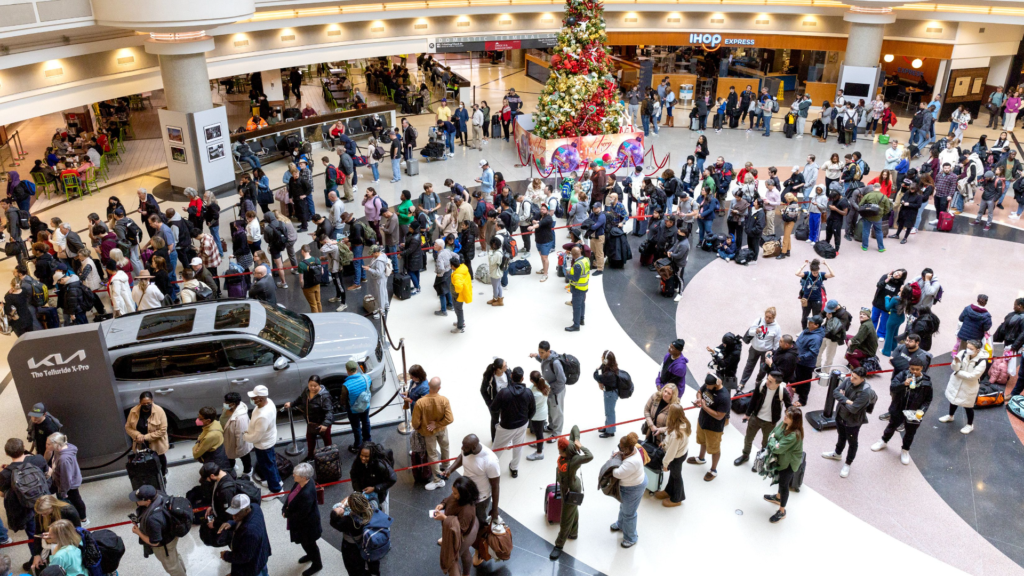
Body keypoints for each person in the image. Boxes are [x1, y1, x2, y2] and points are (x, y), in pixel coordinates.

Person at [440, 434, 501, 551]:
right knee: (457, 516)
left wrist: (495, 508)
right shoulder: (467, 450)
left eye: (465, 447)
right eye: (463, 446)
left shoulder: (490, 461)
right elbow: (462, 457)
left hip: (480, 499)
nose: (462, 448)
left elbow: (495, 486)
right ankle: (452, 536)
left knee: (478, 525)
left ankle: (480, 550)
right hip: (464, 492)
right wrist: (450, 470)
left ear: (474, 448)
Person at [871, 357, 933, 465]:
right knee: (891, 426)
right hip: (899, 407)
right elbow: (893, 387)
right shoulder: (902, 375)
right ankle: (883, 441)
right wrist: (903, 384)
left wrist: (922, 411)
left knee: (910, 432)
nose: (914, 371)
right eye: (912, 369)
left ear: (922, 368)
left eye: (917, 369)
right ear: (909, 367)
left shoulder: (926, 383)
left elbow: (928, 400)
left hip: (914, 411)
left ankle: (905, 450)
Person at [547, 426, 593, 560]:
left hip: (571, 490)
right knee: (572, 510)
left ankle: (559, 545)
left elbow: (590, 456)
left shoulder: (574, 460)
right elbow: (575, 428)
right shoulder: (570, 446)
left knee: (565, 519)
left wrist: (581, 445)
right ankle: (573, 533)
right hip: (565, 487)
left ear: (564, 451)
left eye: (560, 451)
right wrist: (576, 439)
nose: (559, 452)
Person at [821, 367, 876, 478]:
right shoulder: (848, 380)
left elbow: (853, 409)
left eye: (855, 378)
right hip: (840, 415)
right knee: (841, 435)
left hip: (853, 421)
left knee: (852, 442)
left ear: (862, 379)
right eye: (851, 376)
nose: (851, 379)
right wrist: (846, 400)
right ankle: (837, 453)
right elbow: (835, 392)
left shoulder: (866, 392)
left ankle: (848, 463)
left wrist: (842, 398)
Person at [736, 371, 792, 468]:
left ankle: (760, 460)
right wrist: (747, 414)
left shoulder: (782, 392)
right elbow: (753, 399)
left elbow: (789, 408)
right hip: (756, 417)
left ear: (777, 384)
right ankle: (745, 455)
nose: (767, 382)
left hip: (770, 422)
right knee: (748, 438)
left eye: (770, 381)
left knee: (766, 443)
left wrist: (789, 422)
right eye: (767, 379)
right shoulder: (761, 385)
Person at [130, 485, 187, 576]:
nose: (136, 500)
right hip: (171, 533)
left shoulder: (153, 519)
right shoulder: (158, 494)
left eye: (138, 499)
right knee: (174, 557)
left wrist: (138, 532)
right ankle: (183, 572)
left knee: (172, 567)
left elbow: (155, 542)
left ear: (148, 501)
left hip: (164, 545)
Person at [489, 367, 535, 478]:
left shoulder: (504, 392)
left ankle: (489, 469)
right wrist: (526, 419)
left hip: (506, 426)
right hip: (522, 424)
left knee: (497, 449)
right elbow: (533, 410)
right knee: (518, 447)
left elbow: (493, 408)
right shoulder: (528, 392)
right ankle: (514, 469)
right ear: (523, 378)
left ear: (511, 376)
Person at [762, 407, 804, 523]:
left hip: (788, 464)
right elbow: (772, 433)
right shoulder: (784, 424)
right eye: (785, 414)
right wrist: (774, 440)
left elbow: (778, 449)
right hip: (782, 460)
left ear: (794, 421)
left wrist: (773, 440)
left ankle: (782, 511)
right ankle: (777, 497)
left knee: (784, 484)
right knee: (780, 480)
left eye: (788, 416)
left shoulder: (794, 435)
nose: (784, 417)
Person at [687, 374, 730, 481]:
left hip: (714, 428)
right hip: (702, 421)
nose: (707, 387)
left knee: (714, 448)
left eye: (709, 386)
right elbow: (699, 392)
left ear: (716, 384)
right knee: (702, 441)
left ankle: (713, 470)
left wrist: (704, 407)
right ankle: (701, 458)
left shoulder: (724, 397)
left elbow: (720, 416)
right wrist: (698, 399)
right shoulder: (709, 384)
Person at [412, 377, 454, 491]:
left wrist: (421, 428)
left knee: (432, 454)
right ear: (439, 388)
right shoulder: (444, 400)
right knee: (445, 447)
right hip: (442, 429)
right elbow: (450, 419)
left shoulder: (420, 403)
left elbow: (415, 423)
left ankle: (438, 480)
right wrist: (438, 424)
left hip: (428, 432)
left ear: (428, 385)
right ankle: (446, 468)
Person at [282, 463, 323, 576]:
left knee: (309, 544)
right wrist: (284, 507)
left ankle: (317, 564)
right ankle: (310, 555)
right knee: (306, 544)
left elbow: (301, 514)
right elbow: (291, 495)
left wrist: (287, 514)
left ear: (304, 477)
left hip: (308, 526)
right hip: (302, 523)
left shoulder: (306, 494)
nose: (293, 475)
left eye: (295, 474)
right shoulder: (300, 483)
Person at [434, 477, 480, 573]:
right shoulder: (459, 496)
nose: (452, 494)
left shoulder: (467, 510)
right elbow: (449, 499)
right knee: (465, 552)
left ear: (464, 495)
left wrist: (444, 518)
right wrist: (442, 504)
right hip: (463, 530)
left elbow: (460, 529)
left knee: (452, 559)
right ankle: (466, 574)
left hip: (463, 536)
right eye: (452, 491)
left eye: (455, 493)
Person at [940, 340, 987, 434]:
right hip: (956, 382)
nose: (968, 350)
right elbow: (954, 368)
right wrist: (955, 363)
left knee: (968, 406)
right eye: (967, 347)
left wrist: (958, 372)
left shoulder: (982, 362)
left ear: (977, 350)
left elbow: (973, 376)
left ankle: (970, 425)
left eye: (971, 349)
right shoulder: (962, 353)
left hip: (969, 386)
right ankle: (950, 416)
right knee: (953, 399)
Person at [220, 493, 272, 576]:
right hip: (261, 554)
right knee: (263, 571)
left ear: (247, 510)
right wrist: (231, 523)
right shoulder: (255, 507)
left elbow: (244, 557)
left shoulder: (249, 531)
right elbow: (238, 520)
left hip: (253, 565)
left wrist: (226, 555)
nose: (233, 516)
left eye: (237, 513)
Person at [330, 492, 380, 576]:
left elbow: (333, 521)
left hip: (353, 548)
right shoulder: (373, 506)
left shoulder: (347, 521)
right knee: (372, 563)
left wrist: (342, 506)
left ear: (352, 507)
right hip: (370, 543)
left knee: (354, 569)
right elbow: (375, 498)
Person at [609, 432, 645, 548]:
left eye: (621, 447)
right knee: (623, 506)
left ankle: (631, 538)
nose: (618, 448)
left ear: (627, 448)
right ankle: (621, 524)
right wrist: (617, 454)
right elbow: (616, 451)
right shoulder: (631, 450)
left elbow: (617, 473)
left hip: (634, 488)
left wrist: (612, 462)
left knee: (629, 513)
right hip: (628, 485)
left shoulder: (633, 462)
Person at [284, 376, 334, 457]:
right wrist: (292, 404)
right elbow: (300, 399)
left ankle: (329, 457)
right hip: (311, 423)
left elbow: (329, 411)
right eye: (310, 385)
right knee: (310, 440)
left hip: (322, 423)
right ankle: (310, 456)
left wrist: (325, 424)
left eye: (315, 386)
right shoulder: (307, 392)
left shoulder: (324, 396)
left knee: (327, 442)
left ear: (319, 385)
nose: (312, 388)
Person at [243, 385, 280, 492]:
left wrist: (245, 436)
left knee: (267, 467)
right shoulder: (269, 402)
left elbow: (256, 437)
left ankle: (276, 489)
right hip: (269, 440)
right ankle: (277, 481)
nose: (252, 400)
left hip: (263, 445)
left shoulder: (263, 416)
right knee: (271, 463)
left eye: (254, 398)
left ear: (261, 398)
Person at [45, 433, 87, 525]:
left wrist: (63, 492)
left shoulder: (64, 459)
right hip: (60, 480)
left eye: (48, 444)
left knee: (76, 500)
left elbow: (66, 478)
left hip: (69, 485)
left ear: (56, 444)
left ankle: (83, 519)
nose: (46, 445)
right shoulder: (63, 447)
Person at [124, 392, 169, 475]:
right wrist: (138, 435)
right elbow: (128, 427)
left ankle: (163, 475)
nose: (146, 405)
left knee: (160, 459)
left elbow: (163, 430)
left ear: (152, 400)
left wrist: (145, 437)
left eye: (148, 403)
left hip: (156, 443)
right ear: (140, 402)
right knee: (143, 462)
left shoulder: (159, 411)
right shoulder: (133, 411)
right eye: (143, 403)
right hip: (140, 443)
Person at [531, 341, 569, 440]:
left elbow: (562, 380)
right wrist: (536, 356)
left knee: (557, 411)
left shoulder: (556, 363)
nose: (540, 354)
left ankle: (557, 433)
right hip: (550, 390)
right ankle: (551, 426)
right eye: (539, 352)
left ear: (548, 351)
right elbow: (542, 360)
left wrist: (549, 387)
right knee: (551, 409)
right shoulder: (545, 358)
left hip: (557, 391)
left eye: (542, 352)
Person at [656, 405, 691, 508]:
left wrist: (665, 464)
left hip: (676, 457)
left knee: (676, 477)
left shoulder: (676, 434)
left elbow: (671, 452)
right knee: (674, 475)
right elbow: (669, 433)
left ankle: (677, 498)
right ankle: (669, 491)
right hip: (681, 453)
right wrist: (664, 442)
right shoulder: (682, 423)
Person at [739, 309, 781, 392]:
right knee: (749, 365)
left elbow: (776, 342)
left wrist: (774, 353)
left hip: (766, 351)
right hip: (754, 348)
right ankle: (742, 383)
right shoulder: (758, 320)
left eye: (770, 318)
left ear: (774, 318)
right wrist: (755, 331)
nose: (767, 319)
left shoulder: (777, 328)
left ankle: (758, 381)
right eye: (766, 317)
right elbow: (750, 332)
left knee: (763, 368)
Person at [349, 443, 397, 511]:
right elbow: (353, 475)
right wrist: (358, 490)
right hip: (364, 492)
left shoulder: (380, 465)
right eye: (361, 455)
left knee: (383, 512)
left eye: (366, 456)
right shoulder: (357, 462)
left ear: (371, 455)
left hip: (380, 493)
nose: (363, 458)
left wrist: (375, 488)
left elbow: (393, 478)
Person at [793, 316, 825, 406]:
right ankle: (798, 389)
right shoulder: (807, 330)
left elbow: (813, 353)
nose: (809, 323)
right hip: (799, 361)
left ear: (816, 325)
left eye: (811, 322)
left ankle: (803, 401)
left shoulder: (816, 338)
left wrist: (800, 358)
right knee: (798, 377)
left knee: (805, 382)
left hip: (806, 364)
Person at [342, 361, 373, 452]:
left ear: (347, 370)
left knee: (356, 427)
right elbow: (369, 390)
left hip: (354, 410)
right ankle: (368, 441)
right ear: (356, 368)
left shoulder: (346, 385)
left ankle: (358, 445)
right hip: (365, 406)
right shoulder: (366, 377)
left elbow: (343, 399)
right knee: (366, 421)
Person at [796, 259, 834, 329]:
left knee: (816, 318)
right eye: (814, 273)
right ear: (811, 271)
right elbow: (797, 273)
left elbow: (832, 274)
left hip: (817, 300)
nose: (816, 274)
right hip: (806, 299)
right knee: (804, 317)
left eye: (817, 272)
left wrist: (827, 264)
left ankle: (815, 330)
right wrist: (804, 265)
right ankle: (804, 330)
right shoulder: (807, 274)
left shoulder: (821, 275)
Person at [221, 393, 253, 475]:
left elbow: (241, 437)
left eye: (227, 402)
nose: (225, 404)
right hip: (228, 439)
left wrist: (240, 449)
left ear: (233, 404)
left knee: (244, 456)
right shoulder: (228, 409)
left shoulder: (241, 418)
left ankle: (247, 471)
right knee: (229, 454)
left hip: (238, 442)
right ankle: (232, 466)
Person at [872, 269, 907, 340]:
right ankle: (871, 333)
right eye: (897, 272)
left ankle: (881, 334)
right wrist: (887, 280)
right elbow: (879, 285)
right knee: (874, 318)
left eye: (899, 275)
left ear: (901, 278)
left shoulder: (900, 284)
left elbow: (897, 294)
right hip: (877, 302)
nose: (896, 274)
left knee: (884, 321)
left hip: (887, 305)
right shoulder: (885, 276)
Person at [593, 351, 622, 438]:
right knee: (608, 411)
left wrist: (596, 369)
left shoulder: (609, 374)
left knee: (610, 412)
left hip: (610, 394)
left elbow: (596, 376)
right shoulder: (610, 367)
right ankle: (608, 427)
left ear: (606, 360)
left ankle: (610, 431)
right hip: (610, 393)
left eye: (603, 357)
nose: (601, 358)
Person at [565, 246, 590, 331]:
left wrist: (568, 274)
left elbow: (575, 278)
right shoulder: (586, 260)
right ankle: (581, 319)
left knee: (576, 307)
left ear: (574, 254)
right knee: (582, 303)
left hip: (578, 288)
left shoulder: (578, 265)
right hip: (584, 286)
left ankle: (576, 325)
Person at [526, 372, 550, 460]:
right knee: (538, 432)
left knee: (539, 433)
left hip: (538, 416)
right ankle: (539, 443)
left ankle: (539, 452)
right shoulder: (544, 383)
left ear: (531, 380)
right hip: (541, 411)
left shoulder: (537, 395)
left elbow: (530, 405)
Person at [450, 254, 471, 333]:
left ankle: (459, 327)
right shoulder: (462, 268)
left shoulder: (457, 275)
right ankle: (461, 321)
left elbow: (459, 287)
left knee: (458, 310)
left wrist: (456, 291)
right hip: (461, 295)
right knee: (459, 310)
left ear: (452, 266)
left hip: (458, 296)